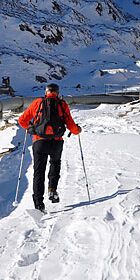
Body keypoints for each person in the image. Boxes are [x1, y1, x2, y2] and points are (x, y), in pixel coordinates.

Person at [18, 83, 81, 212]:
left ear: (46, 92)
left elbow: (22, 121)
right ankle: (52, 189)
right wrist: (77, 130)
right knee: (55, 163)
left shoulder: (38, 103)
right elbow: (70, 124)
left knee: (39, 172)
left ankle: (39, 203)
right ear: (57, 93)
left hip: (39, 141)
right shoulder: (62, 104)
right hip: (56, 142)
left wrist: (32, 129)